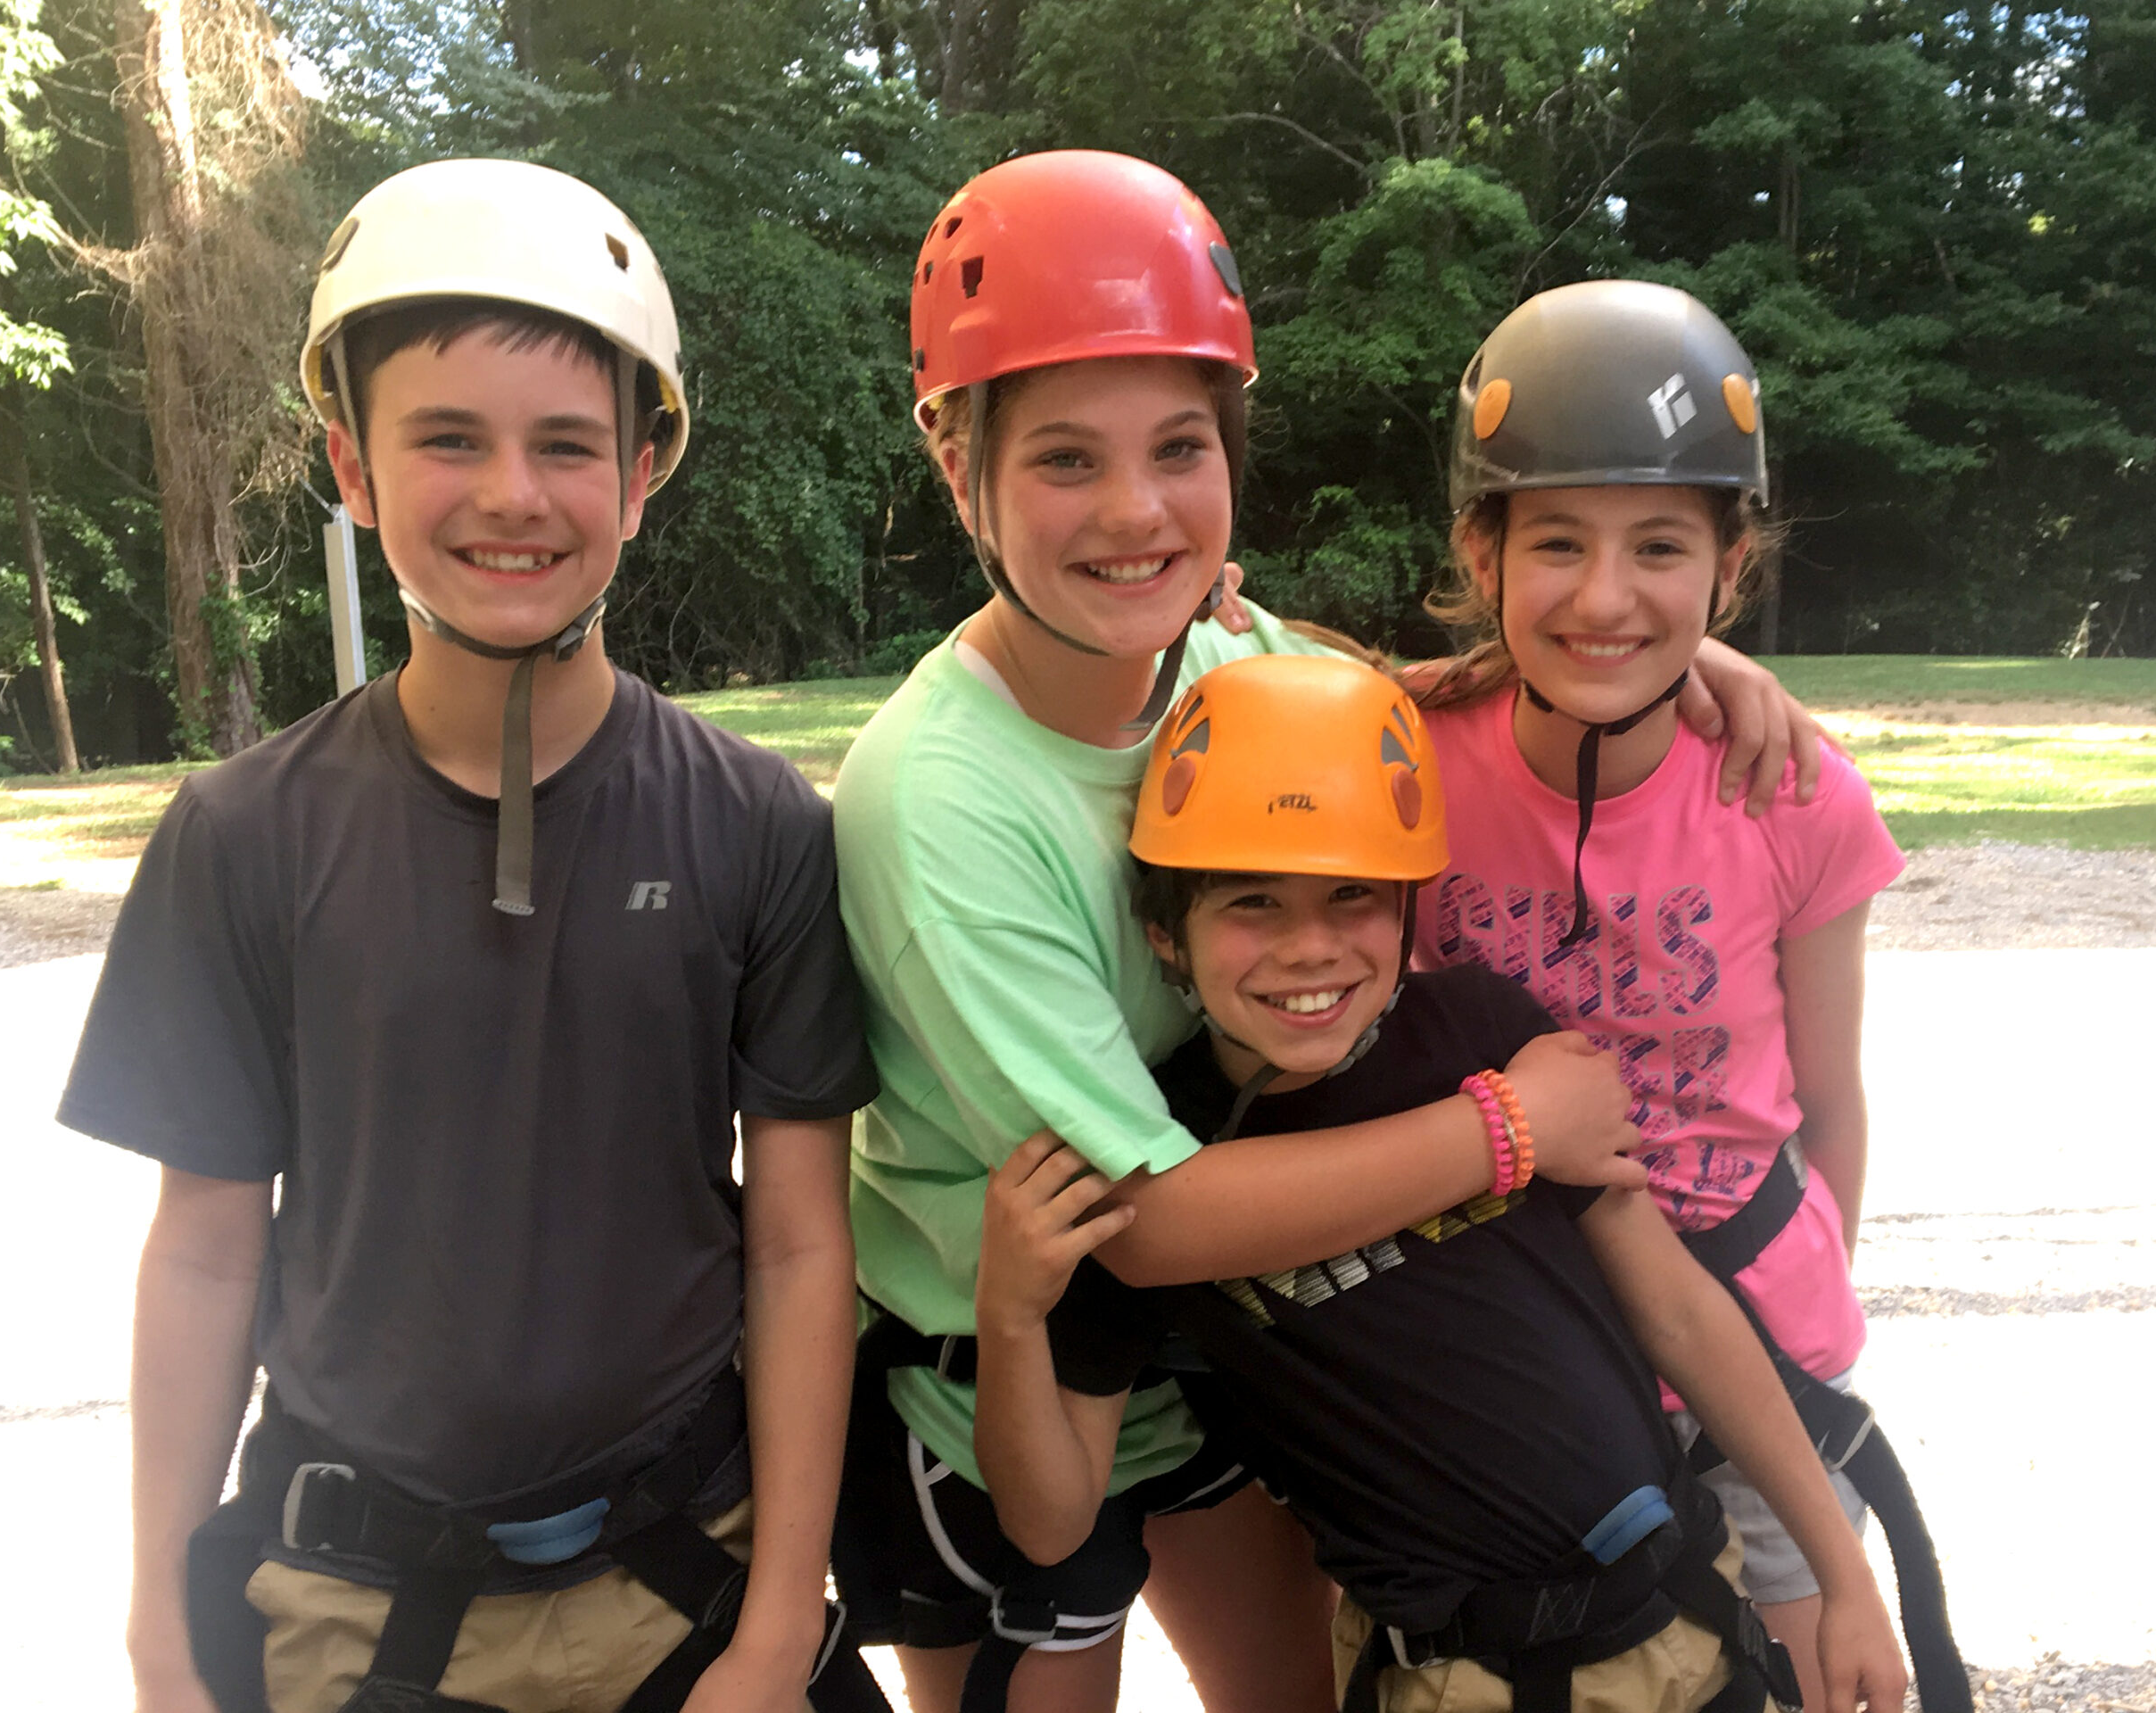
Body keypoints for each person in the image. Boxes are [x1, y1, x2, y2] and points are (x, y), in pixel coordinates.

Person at [829, 149, 1832, 1713]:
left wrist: (1666, 678)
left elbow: (1389, 708)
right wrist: (1510, 1129)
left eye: (1179, 447)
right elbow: (1139, 1224)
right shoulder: (938, 801)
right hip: (1016, 1388)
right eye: (1066, 463)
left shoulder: (1223, 654)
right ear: (959, 471)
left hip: (1238, 1352)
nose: (1136, 510)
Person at [57, 159, 884, 1713]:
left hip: (684, 1578)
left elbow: (795, 1245)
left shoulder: (759, 830)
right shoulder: (241, 837)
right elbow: (204, 1249)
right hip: (347, 1605)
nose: (512, 494)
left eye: (567, 446)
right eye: (448, 439)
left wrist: (779, 1633)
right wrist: (162, 1626)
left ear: (643, 474)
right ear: (352, 467)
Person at [971, 650, 1910, 1713]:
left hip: (1685, 1633)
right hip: (1449, 1680)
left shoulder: (1485, 1031)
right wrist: (1008, 1313)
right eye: (1252, 904)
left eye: (1352, 897)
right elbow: (1048, 1522)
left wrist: (1845, 1574)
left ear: (1411, 904)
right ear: (1164, 938)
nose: (1309, 949)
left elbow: (1680, 1312)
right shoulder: (1156, 1159)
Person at [1408, 280, 1966, 1713]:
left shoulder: (1791, 791)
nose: (1605, 598)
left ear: (1731, 566)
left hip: (1755, 1352)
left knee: (1802, 1679)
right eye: (1557, 545)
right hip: (1531, 1355)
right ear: (1484, 556)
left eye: (1661, 547)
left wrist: (1802, 1321)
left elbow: (1831, 1100)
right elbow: (1225, 659)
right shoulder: (1404, 754)